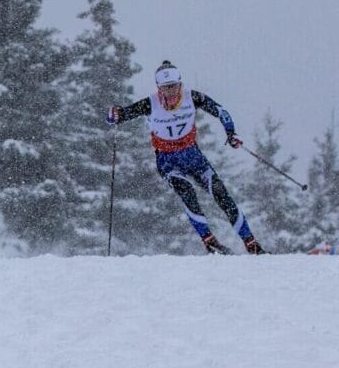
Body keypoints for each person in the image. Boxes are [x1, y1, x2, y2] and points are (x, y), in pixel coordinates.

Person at [108, 60, 265, 254]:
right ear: (159, 89)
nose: (171, 92)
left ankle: (251, 243)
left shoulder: (193, 97)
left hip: (193, 157)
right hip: (167, 161)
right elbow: (121, 115)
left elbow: (221, 111)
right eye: (166, 88)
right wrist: (114, 114)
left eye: (174, 86)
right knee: (187, 192)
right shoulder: (150, 103)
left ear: (180, 84)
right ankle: (210, 241)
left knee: (221, 194)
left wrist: (231, 133)